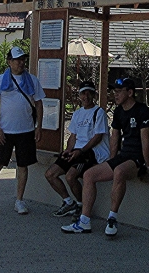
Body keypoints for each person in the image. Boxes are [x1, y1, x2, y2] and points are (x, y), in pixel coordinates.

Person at [62, 77, 149, 237]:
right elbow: (114, 138)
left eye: (119, 92)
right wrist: (110, 160)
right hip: (123, 155)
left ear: (130, 93)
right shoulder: (118, 111)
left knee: (119, 171)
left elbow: (146, 141)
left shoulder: (142, 110)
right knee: (88, 175)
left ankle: (112, 218)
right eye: (114, 92)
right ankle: (84, 221)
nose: (115, 95)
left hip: (137, 158)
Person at [0, 46, 44, 217]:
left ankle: (19, 200)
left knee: (23, 165)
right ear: (9, 62)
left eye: (23, 59)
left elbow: (39, 104)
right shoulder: (0, 80)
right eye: (17, 59)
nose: (21, 63)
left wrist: (39, 127)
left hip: (26, 130)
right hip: (5, 131)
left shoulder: (33, 80)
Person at [46, 83, 110, 217]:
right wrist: (68, 150)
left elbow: (97, 137)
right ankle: (68, 202)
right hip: (77, 150)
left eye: (89, 93)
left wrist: (80, 151)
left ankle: (81, 205)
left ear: (93, 95)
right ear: (79, 96)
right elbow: (73, 136)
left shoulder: (99, 112)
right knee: (50, 174)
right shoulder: (77, 113)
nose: (85, 96)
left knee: (70, 176)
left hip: (91, 152)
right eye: (83, 93)